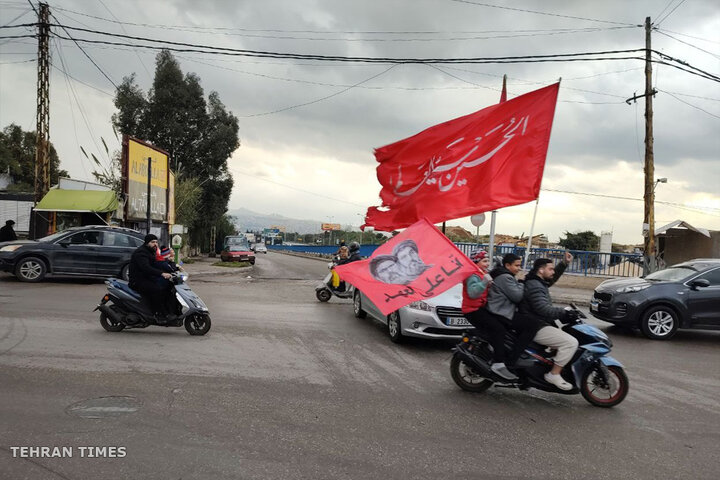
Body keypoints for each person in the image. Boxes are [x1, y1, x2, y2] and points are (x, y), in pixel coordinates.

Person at [518, 252, 580, 391]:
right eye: (550, 269)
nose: (552, 271)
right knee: (570, 342)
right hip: (536, 325)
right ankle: (554, 374)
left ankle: (548, 367)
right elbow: (543, 309)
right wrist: (564, 313)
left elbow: (551, 279)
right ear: (541, 270)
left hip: (539, 322)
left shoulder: (538, 281)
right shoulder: (535, 286)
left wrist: (564, 264)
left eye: (553, 269)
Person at [462, 249, 517, 381]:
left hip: (479, 308)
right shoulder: (473, 275)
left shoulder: (482, 273)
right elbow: (472, 293)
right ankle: (498, 362)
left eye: (488, 261)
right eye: (484, 261)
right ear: (476, 262)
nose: (487, 264)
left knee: (501, 324)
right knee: (498, 329)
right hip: (472, 310)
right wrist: (484, 283)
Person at [487, 253, 540, 368]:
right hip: (501, 312)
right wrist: (521, 283)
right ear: (507, 265)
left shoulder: (504, 275)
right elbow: (517, 296)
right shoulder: (505, 277)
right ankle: (513, 359)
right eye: (516, 265)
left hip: (503, 310)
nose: (519, 268)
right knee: (533, 325)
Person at [129, 234, 175, 324]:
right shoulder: (141, 253)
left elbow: (156, 263)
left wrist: (172, 269)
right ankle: (157, 314)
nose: (155, 244)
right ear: (147, 243)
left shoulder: (150, 251)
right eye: (152, 242)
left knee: (167, 286)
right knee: (157, 290)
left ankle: (168, 310)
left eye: (156, 242)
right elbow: (146, 267)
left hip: (147, 278)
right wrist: (162, 273)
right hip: (138, 281)